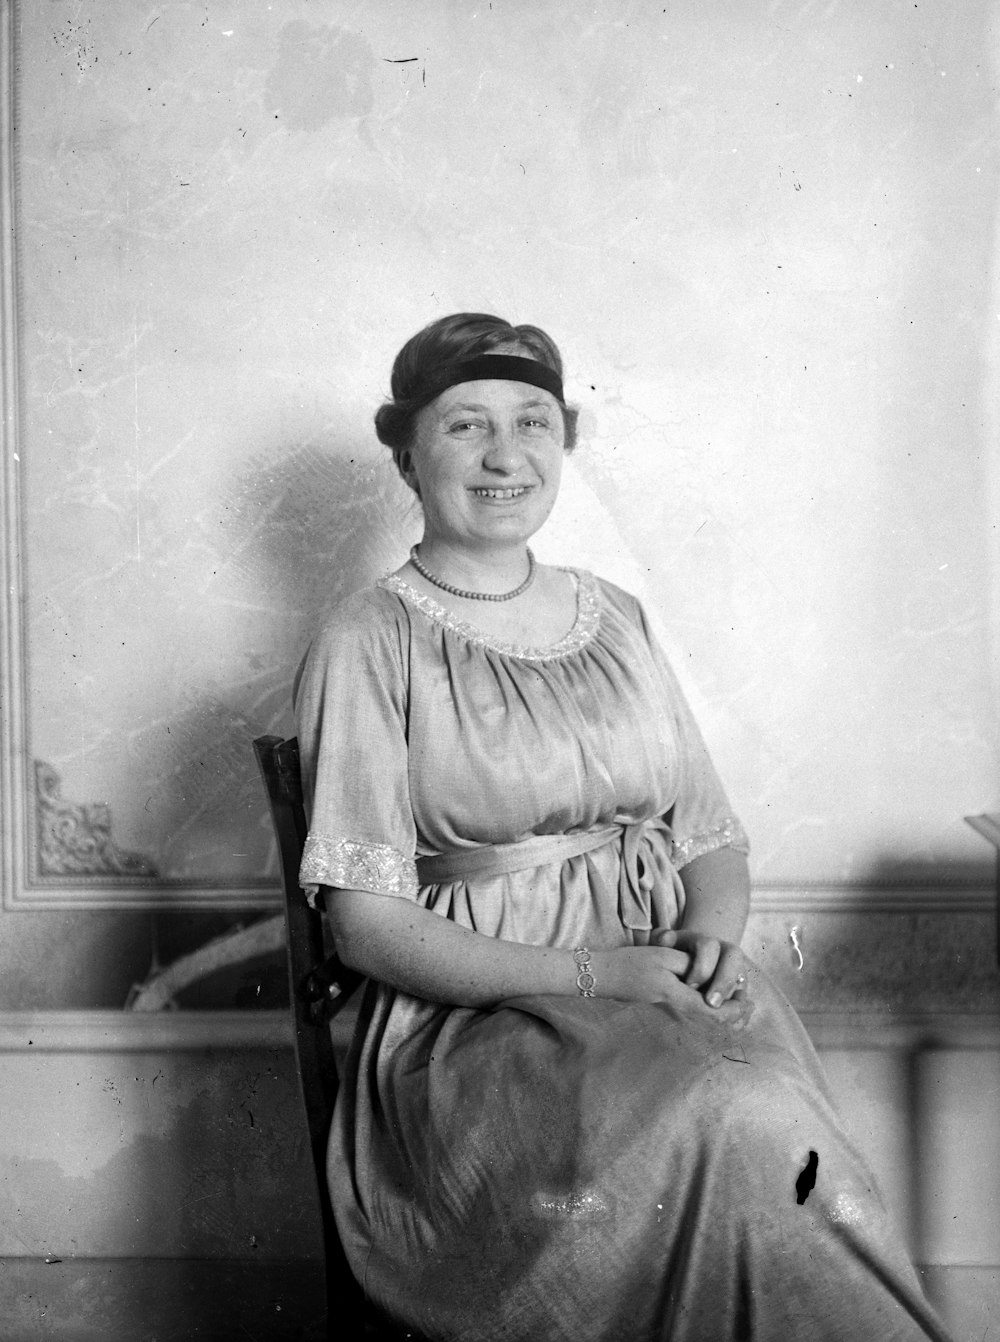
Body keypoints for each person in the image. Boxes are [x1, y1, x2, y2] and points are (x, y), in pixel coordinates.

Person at [293, 313, 951, 1341]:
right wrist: (603, 978)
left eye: (533, 423)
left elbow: (708, 836)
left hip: (658, 992)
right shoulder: (369, 637)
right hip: (478, 1028)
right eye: (466, 426)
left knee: (764, 1126)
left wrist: (712, 940)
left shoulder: (616, 615)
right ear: (404, 453)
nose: (506, 455)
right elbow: (368, 929)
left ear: (565, 443)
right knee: (732, 1121)